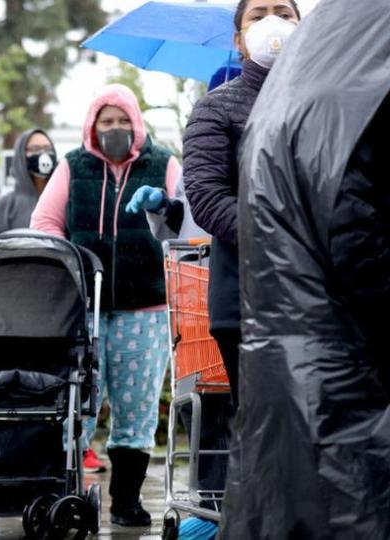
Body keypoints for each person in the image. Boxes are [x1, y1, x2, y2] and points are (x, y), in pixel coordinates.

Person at [223, 0, 390, 537]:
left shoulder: (292, 95)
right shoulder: (352, 109)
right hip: (343, 376)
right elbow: (358, 239)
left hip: (281, 359)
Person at [31, 84, 182, 527]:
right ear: (93, 126)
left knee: (136, 407)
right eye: (106, 121)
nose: (115, 128)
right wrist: (71, 267)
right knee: (77, 405)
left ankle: (126, 501)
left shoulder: (163, 163)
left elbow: (187, 221)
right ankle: (67, 494)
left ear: (136, 123)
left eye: (122, 120)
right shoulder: (73, 166)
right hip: (84, 309)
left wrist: (165, 208)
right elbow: (44, 222)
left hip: (146, 307)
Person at [180, 1, 301, 536]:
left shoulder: (330, 100)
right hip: (246, 300)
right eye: (259, 13)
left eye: (284, 10)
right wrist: (283, 239)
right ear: (238, 38)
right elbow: (205, 195)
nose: (272, 21)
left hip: (325, 297)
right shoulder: (217, 108)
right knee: (262, 425)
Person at [0, 129, 57, 237]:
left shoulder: (64, 202)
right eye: (35, 149)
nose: (43, 155)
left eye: (48, 149)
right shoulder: (4, 207)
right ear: (21, 155)